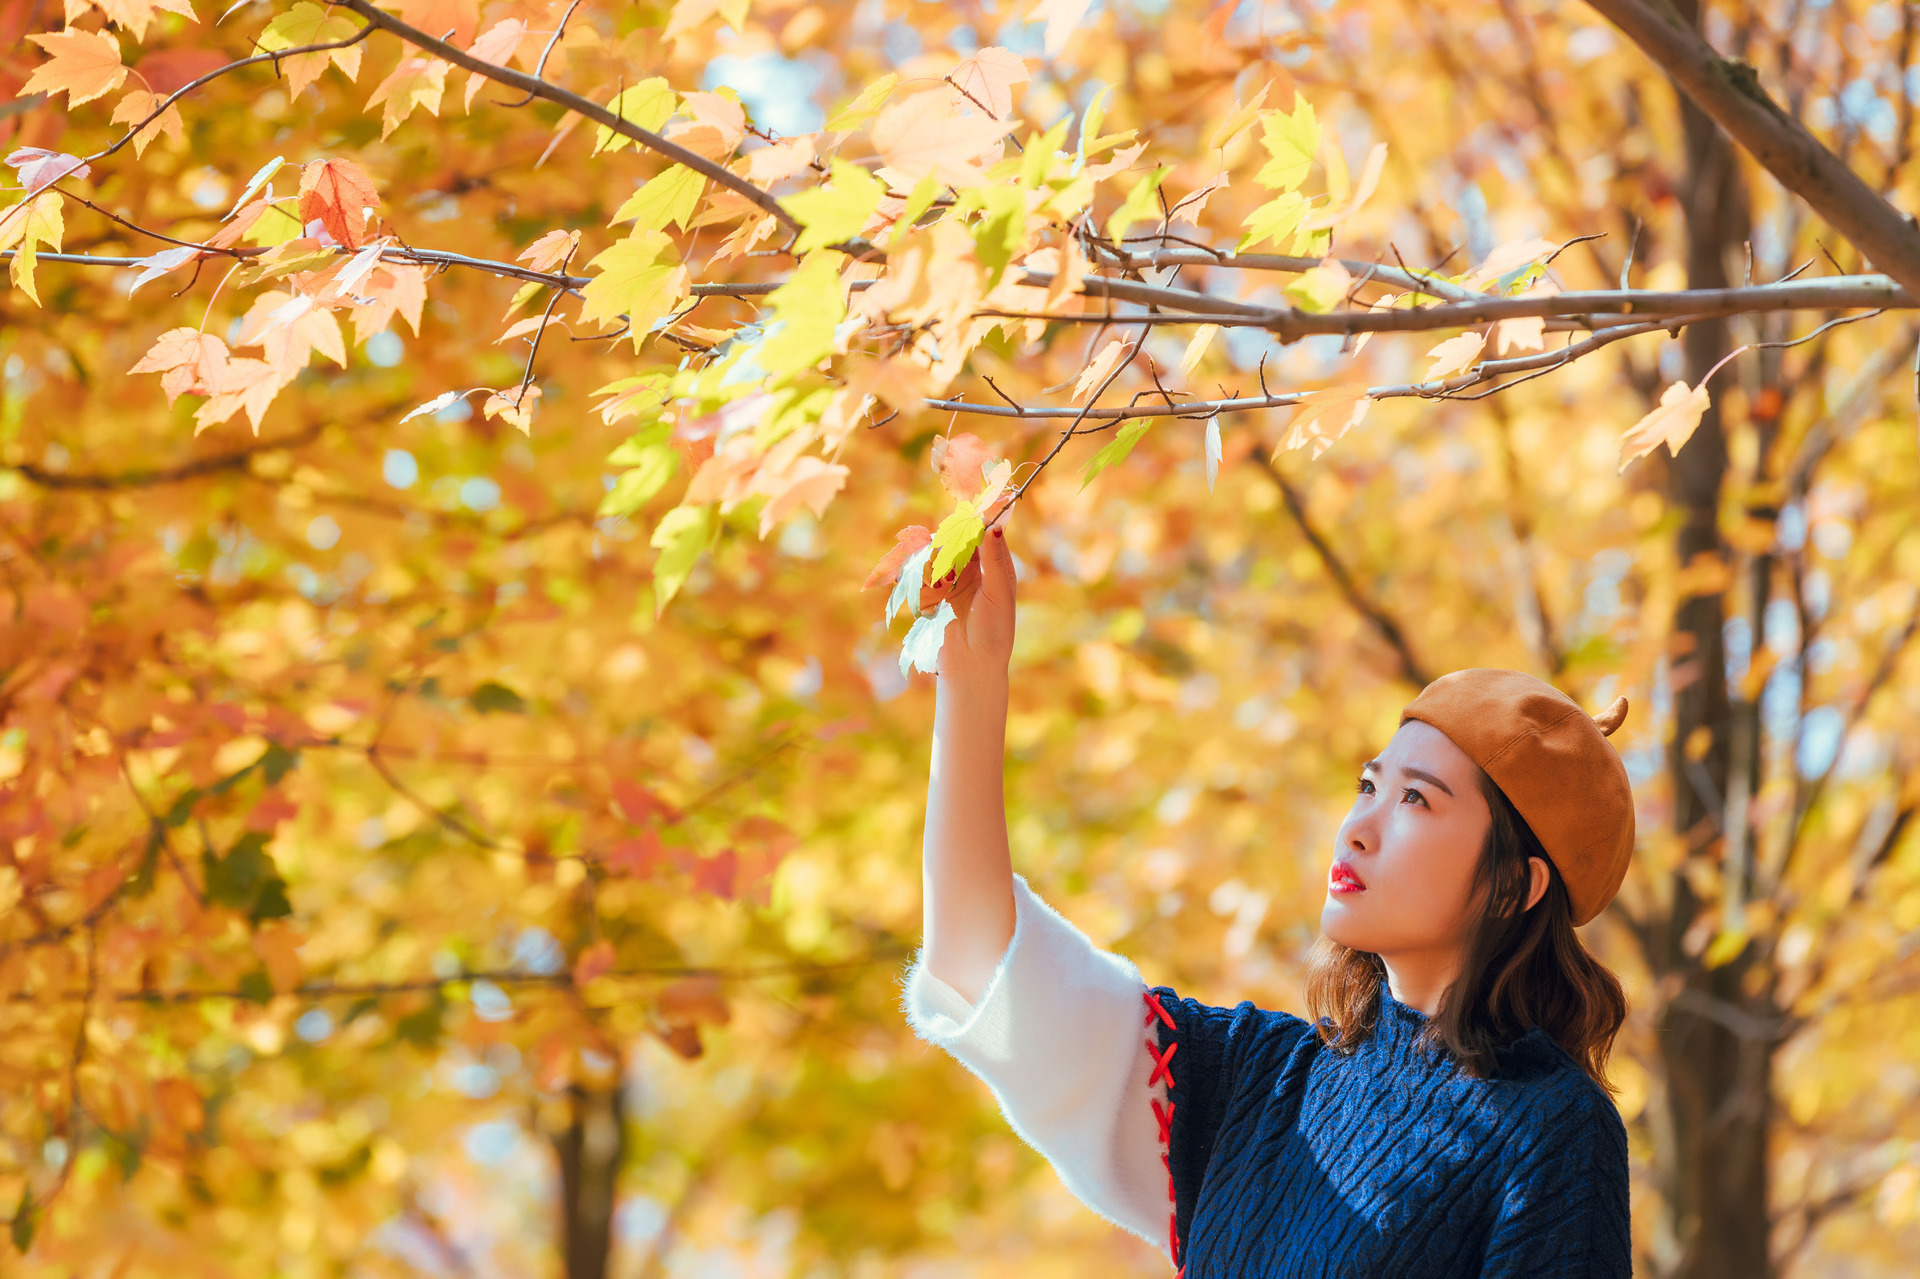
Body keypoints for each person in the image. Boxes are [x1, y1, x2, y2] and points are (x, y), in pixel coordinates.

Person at [903, 526, 1634, 1278]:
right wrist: (973, 678)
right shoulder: (1259, 1079)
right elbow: (980, 965)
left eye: (1416, 798)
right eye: (1368, 786)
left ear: (1515, 885)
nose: (1358, 828)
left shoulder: (1555, 1129)